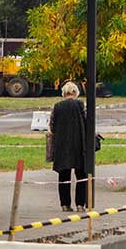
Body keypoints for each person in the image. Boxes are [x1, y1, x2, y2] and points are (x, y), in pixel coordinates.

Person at [49, 81, 88, 212]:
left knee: (63, 176)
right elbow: (87, 121)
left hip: (62, 145)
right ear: (75, 92)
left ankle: (65, 205)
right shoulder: (80, 104)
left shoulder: (57, 106)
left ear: (64, 93)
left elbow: (52, 126)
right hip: (79, 145)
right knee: (81, 176)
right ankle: (80, 205)